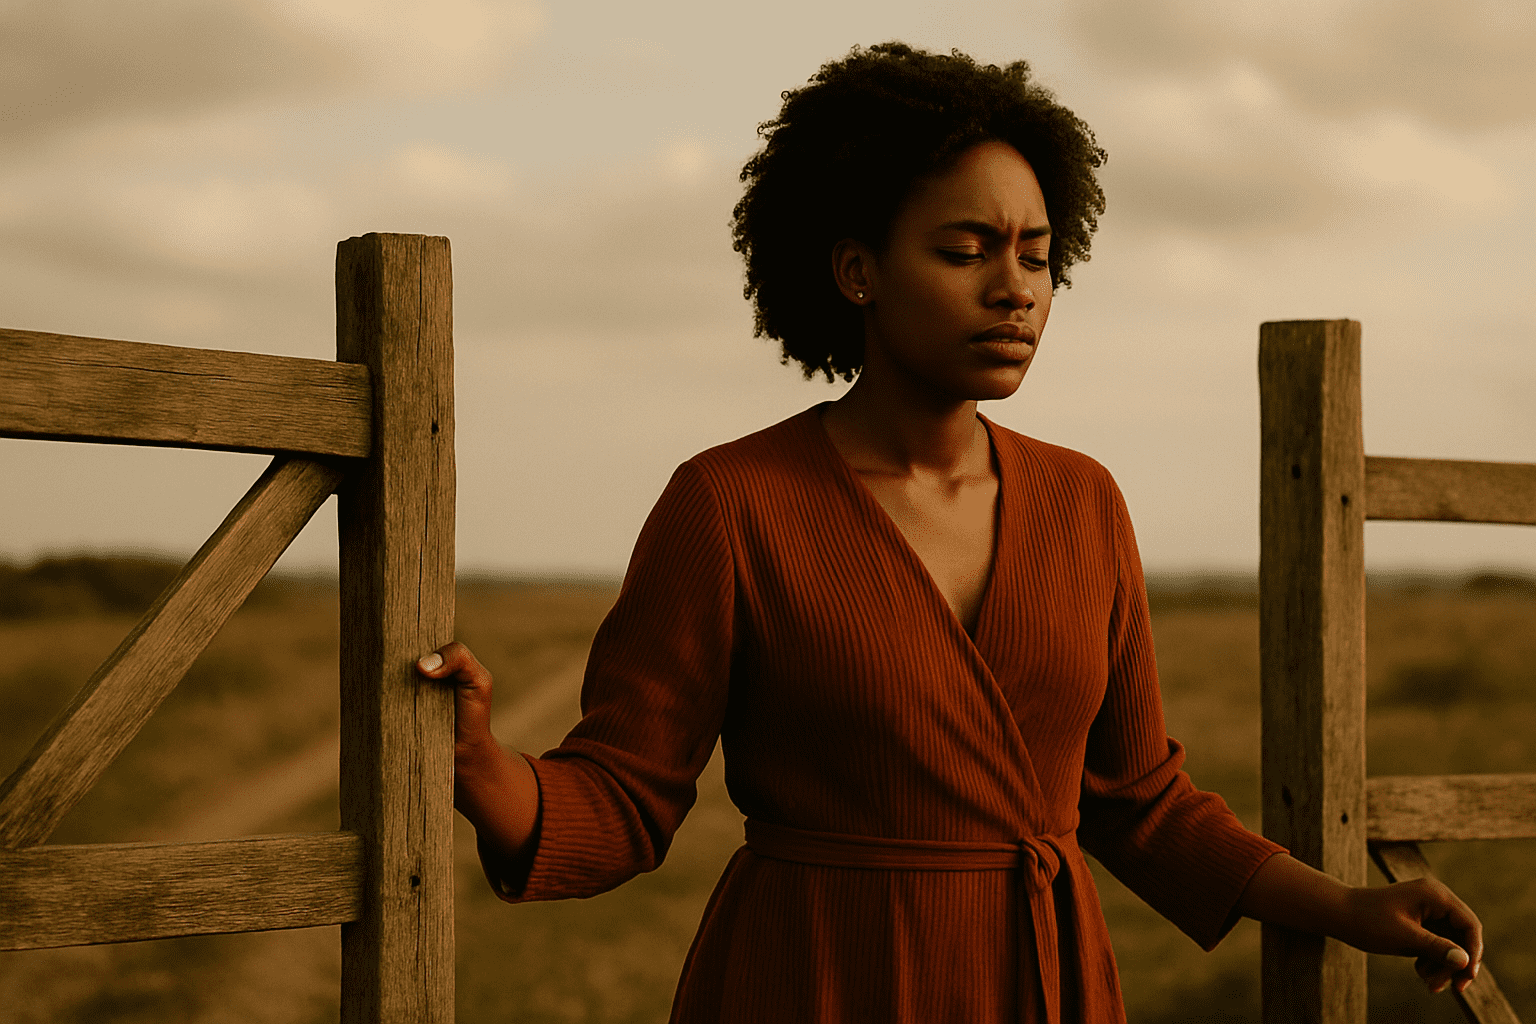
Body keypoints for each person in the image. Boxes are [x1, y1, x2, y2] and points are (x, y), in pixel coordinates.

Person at [417, 42, 1482, 1023]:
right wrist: (479, 764)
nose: (1015, 288)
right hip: (817, 977)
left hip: (1045, 981)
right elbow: (624, 792)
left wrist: (1345, 906)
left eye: (1037, 253)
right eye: (967, 249)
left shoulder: (1084, 503)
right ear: (856, 271)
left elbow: (1139, 801)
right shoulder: (731, 502)